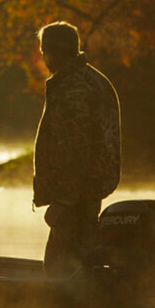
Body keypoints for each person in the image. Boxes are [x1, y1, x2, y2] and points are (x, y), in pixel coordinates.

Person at [32, 21, 121, 278]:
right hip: (90, 193)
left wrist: (62, 201)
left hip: (75, 198)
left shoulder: (72, 88)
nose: (44, 58)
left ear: (53, 51)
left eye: (43, 52)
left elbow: (77, 150)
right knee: (82, 266)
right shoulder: (94, 80)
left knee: (59, 272)